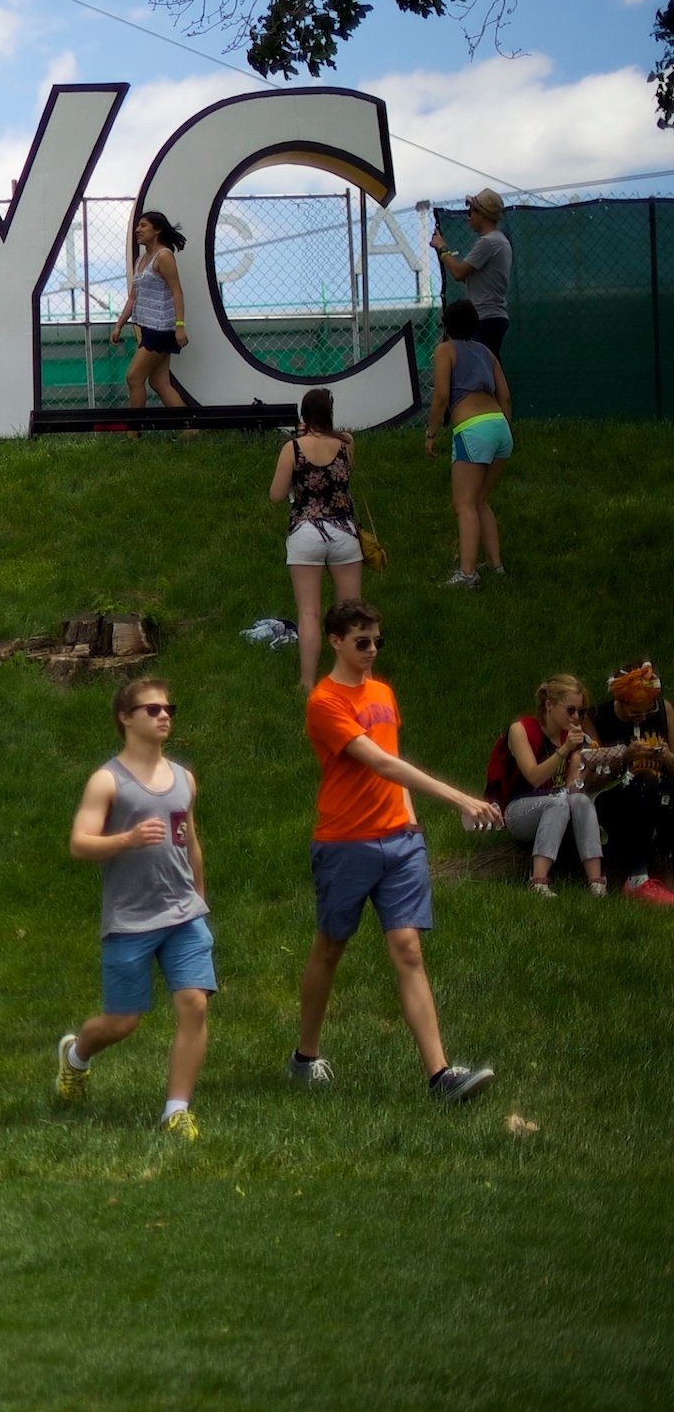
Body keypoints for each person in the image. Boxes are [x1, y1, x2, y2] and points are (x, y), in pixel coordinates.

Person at [293, 601, 501, 1101]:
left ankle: (440, 1076)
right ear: (337, 641)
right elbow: (379, 763)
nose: (371, 651)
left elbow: (393, 756)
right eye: (361, 641)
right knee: (330, 947)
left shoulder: (383, 691)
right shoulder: (324, 702)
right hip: (346, 842)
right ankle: (304, 1056)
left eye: (377, 641)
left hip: (401, 842)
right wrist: (458, 798)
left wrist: (408, 818)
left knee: (408, 949)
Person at [54, 677, 214, 1138]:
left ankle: (176, 1111)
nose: (165, 715)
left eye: (169, 708)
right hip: (130, 919)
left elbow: (191, 842)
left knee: (194, 1005)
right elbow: (79, 844)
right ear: (126, 718)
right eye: (152, 709)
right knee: (123, 1022)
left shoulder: (184, 778)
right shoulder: (108, 781)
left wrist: (199, 900)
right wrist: (126, 839)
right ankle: (76, 1057)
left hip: (183, 913)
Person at [267, 387, 365, 692]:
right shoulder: (346, 444)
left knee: (308, 612)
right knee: (351, 609)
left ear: (304, 416)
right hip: (343, 532)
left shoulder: (292, 449)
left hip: (306, 532)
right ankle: (359, 678)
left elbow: (276, 495)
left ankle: (308, 682)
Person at [484, 674, 606, 897]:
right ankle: (539, 881)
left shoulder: (570, 738)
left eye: (581, 712)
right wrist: (565, 749)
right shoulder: (522, 730)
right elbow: (534, 777)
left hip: (558, 808)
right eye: (570, 710)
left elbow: (570, 789)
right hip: (519, 809)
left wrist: (586, 764)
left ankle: (597, 882)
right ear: (549, 705)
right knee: (556, 804)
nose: (576, 717)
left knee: (580, 800)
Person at [425, 296, 511, 587]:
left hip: (472, 429)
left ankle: (467, 573)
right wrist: (505, 430)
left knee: (463, 504)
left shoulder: (445, 350)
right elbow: (506, 396)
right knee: (479, 500)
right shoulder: (487, 352)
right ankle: (495, 565)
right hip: (500, 427)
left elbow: (441, 396)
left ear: (446, 326)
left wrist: (432, 432)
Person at [587, 663, 673, 905]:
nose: (644, 718)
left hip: (657, 793)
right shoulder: (597, 719)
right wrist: (624, 757)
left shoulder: (664, 711)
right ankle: (637, 878)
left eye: (648, 711)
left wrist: (666, 757)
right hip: (611, 799)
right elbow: (589, 781)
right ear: (620, 703)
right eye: (636, 713)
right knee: (642, 784)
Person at [106, 210, 189, 410]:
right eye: (138, 226)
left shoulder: (164, 256)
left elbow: (177, 292)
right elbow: (133, 297)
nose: (138, 230)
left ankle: (134, 433)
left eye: (143, 226)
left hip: (161, 328)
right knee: (159, 382)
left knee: (134, 377)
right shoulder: (140, 260)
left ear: (157, 230)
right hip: (146, 326)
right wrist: (119, 326)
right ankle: (190, 429)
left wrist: (179, 326)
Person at [433, 188, 513, 354]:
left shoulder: (488, 243)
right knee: (489, 368)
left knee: (478, 369)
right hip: (495, 317)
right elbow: (476, 278)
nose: (468, 217)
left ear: (482, 214)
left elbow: (458, 273)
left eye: (471, 212)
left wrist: (442, 248)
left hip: (484, 318)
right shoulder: (501, 241)